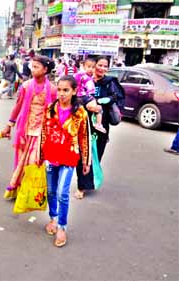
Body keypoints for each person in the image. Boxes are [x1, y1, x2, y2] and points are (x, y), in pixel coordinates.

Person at [40, 75, 91, 247]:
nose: (61, 94)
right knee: (51, 191)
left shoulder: (80, 113)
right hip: (50, 156)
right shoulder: (49, 109)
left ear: (74, 91)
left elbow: (85, 137)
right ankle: (53, 219)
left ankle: (62, 227)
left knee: (62, 192)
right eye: (59, 90)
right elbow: (43, 133)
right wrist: (40, 155)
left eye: (66, 90)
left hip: (69, 157)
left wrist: (86, 161)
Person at [0, 56, 57, 199]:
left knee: (35, 161)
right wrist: (9, 125)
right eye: (32, 66)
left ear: (45, 70)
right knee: (21, 161)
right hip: (25, 129)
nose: (32, 69)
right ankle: (18, 190)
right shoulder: (26, 86)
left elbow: (55, 113)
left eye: (36, 66)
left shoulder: (53, 89)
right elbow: (18, 106)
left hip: (41, 132)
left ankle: (32, 193)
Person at [74, 56, 125, 199]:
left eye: (105, 66)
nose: (102, 68)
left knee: (97, 154)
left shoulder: (109, 82)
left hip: (101, 124)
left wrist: (101, 101)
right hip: (84, 122)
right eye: (100, 65)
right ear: (93, 66)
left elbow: (116, 97)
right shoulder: (83, 80)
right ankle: (82, 186)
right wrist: (87, 103)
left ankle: (91, 179)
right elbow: (74, 96)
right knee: (83, 154)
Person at [74, 58, 106, 133]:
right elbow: (91, 90)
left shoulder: (79, 75)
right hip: (85, 97)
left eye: (93, 67)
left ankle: (96, 122)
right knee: (99, 108)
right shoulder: (86, 77)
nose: (91, 69)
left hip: (78, 97)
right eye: (89, 67)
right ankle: (98, 124)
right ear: (84, 67)